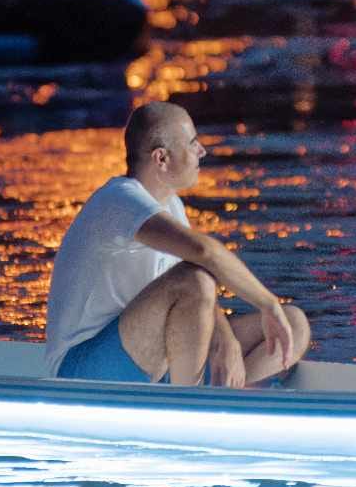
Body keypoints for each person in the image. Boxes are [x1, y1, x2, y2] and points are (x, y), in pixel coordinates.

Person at [44, 102, 311, 387]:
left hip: (153, 356)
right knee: (194, 278)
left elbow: (200, 279)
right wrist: (268, 303)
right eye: (192, 143)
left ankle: (225, 398)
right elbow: (204, 253)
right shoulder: (118, 199)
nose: (202, 151)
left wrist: (226, 339)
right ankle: (190, 410)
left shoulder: (172, 205)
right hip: (83, 370)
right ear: (162, 158)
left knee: (294, 325)